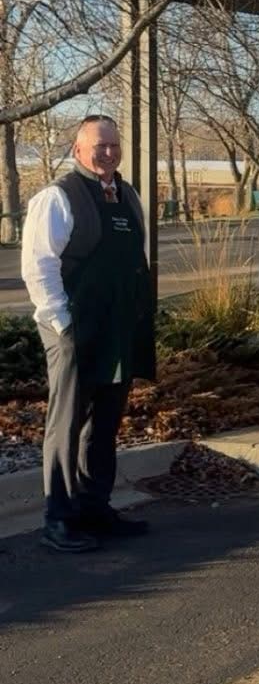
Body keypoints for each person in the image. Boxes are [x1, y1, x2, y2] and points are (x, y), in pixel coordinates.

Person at [20, 115, 156, 553]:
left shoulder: (129, 195)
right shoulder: (57, 197)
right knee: (66, 423)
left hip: (117, 329)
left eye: (114, 145)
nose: (109, 153)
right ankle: (58, 519)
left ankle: (94, 508)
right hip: (73, 329)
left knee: (104, 424)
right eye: (99, 146)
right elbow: (38, 266)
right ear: (78, 150)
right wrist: (62, 324)